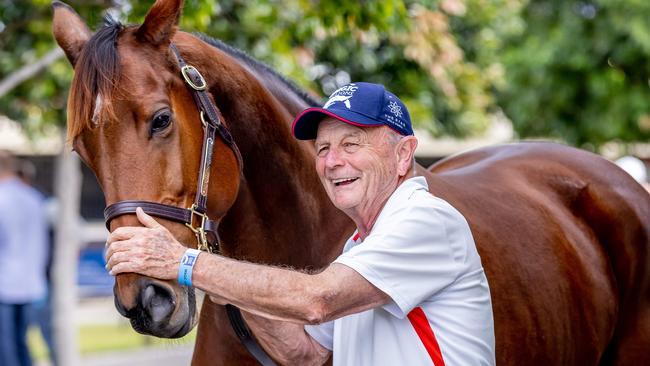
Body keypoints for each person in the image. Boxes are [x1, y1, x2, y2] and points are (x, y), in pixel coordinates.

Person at [106, 82, 496, 365]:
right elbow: (304, 352)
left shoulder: (427, 220)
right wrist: (218, 279)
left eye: (351, 144)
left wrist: (186, 263)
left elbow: (318, 300)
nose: (332, 161)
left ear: (403, 154)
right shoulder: (360, 247)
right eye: (323, 148)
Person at [0, 151, 49, 366]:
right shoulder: (35, 199)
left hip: (4, 284)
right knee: (22, 344)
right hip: (31, 283)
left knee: (5, 349)